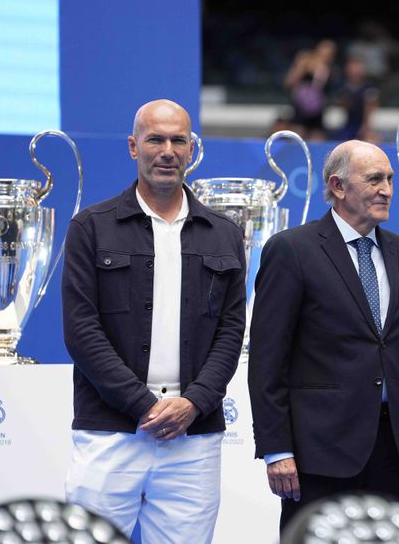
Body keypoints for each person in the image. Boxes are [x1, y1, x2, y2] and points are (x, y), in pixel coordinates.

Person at [248, 140, 399, 535]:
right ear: (337, 186)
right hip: (321, 450)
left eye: (389, 179)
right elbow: (267, 359)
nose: (387, 189)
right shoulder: (292, 250)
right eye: (374, 179)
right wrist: (277, 449)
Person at [61, 99, 246, 543]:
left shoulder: (225, 233)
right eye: (155, 140)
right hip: (110, 433)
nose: (167, 151)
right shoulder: (91, 227)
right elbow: (81, 330)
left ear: (191, 149)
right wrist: (144, 406)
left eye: (178, 141)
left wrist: (193, 404)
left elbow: (231, 332)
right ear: (133, 147)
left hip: (193, 439)